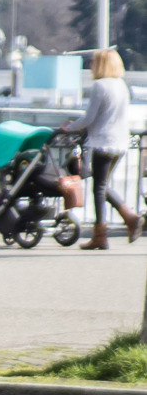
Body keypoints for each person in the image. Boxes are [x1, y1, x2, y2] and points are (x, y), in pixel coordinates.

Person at [60, 48, 139, 249]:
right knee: (102, 184)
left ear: (102, 65)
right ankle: (129, 217)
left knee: (98, 188)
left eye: (94, 63)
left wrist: (70, 127)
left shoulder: (100, 86)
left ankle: (101, 234)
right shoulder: (121, 85)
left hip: (103, 141)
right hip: (120, 141)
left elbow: (89, 118)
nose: (91, 66)